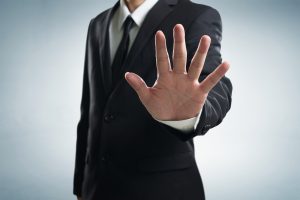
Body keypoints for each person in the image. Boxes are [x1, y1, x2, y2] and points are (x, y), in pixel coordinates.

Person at [73, 0, 232, 199]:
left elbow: (212, 84)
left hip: (162, 189)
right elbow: (89, 111)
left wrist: (190, 115)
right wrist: (81, 185)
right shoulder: (97, 23)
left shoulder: (197, 15)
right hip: (97, 189)